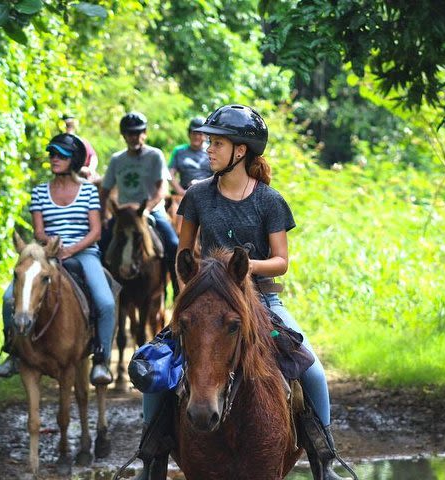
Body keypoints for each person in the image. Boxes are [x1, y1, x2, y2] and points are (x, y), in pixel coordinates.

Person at [131, 105, 352, 480]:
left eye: (217, 143)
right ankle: (150, 459)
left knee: (311, 368)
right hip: (206, 302)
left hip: (262, 299)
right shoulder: (199, 195)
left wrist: (246, 268)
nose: (208, 148)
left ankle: (323, 457)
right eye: (209, 142)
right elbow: (185, 257)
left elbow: (281, 261)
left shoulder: (269, 200)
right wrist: (193, 300)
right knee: (157, 368)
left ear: (241, 151)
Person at [0, 133, 115, 386]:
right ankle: (13, 352)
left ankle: (101, 360)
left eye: (61, 155)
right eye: (52, 155)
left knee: (106, 302)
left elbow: (95, 231)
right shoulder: (39, 192)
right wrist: (50, 248)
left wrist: (70, 250)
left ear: (74, 160)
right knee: (7, 299)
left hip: (83, 252)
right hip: (46, 253)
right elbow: (38, 231)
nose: (54, 159)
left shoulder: (89, 191)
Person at [99, 111, 179, 297]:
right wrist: (103, 215)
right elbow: (104, 191)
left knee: (173, 244)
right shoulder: (117, 159)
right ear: (124, 136)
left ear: (144, 133)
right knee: (102, 244)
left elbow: (161, 189)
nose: (134, 137)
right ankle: (103, 293)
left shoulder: (155, 155)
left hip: (151, 211)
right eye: (129, 133)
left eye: (137, 133)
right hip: (125, 213)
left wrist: (147, 209)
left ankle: (177, 293)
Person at [167, 116, 212, 195]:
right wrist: (180, 191)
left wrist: (199, 183)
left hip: (208, 192)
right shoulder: (179, 151)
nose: (196, 137)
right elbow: (170, 174)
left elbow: (218, 176)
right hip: (184, 193)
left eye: (200, 134)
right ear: (189, 134)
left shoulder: (212, 151)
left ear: (205, 136)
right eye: (194, 133)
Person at [63, 114, 102, 183]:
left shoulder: (82, 141)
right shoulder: (60, 144)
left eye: (71, 125)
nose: (69, 128)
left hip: (87, 175)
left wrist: (90, 169)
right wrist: (79, 170)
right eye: (67, 125)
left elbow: (93, 156)